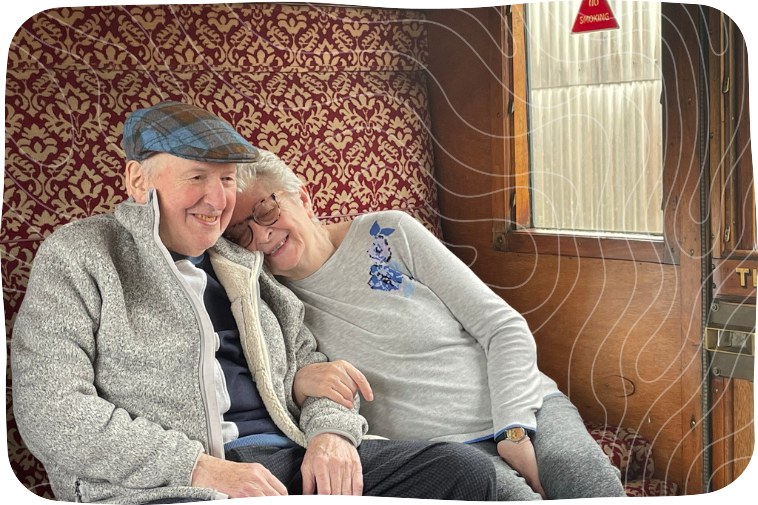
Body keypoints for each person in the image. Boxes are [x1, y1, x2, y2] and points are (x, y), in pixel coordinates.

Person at [10, 101, 498, 504]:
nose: (217, 199)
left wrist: (331, 435)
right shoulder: (81, 254)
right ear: (138, 181)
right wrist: (201, 469)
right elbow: (50, 411)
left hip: (288, 462)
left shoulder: (242, 263)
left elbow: (311, 363)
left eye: (226, 180)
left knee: (462, 472)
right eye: (197, 176)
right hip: (173, 483)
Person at [224, 149, 629, 501]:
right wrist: (298, 383)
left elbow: (502, 326)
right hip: (447, 453)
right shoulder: (267, 299)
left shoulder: (389, 232)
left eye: (266, 210)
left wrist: (513, 431)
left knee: (583, 477)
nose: (261, 235)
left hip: (524, 407)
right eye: (241, 232)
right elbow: (273, 384)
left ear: (303, 199)